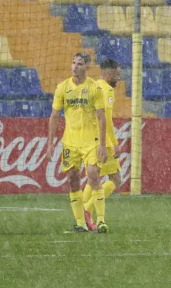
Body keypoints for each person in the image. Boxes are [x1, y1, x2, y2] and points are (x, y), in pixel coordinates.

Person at [47, 53, 107, 233]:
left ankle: (102, 221)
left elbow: (102, 117)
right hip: (70, 143)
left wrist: (103, 145)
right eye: (73, 63)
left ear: (87, 68)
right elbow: (54, 116)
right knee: (73, 180)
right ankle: (80, 223)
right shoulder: (62, 87)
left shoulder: (95, 88)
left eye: (79, 64)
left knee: (92, 175)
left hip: (91, 142)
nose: (74, 66)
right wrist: (50, 143)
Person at [82, 58, 120, 233]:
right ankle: (87, 209)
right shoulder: (108, 90)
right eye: (117, 74)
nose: (118, 78)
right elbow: (106, 119)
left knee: (94, 176)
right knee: (115, 179)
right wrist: (112, 143)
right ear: (109, 73)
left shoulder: (94, 86)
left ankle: (82, 210)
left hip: (89, 138)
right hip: (103, 141)